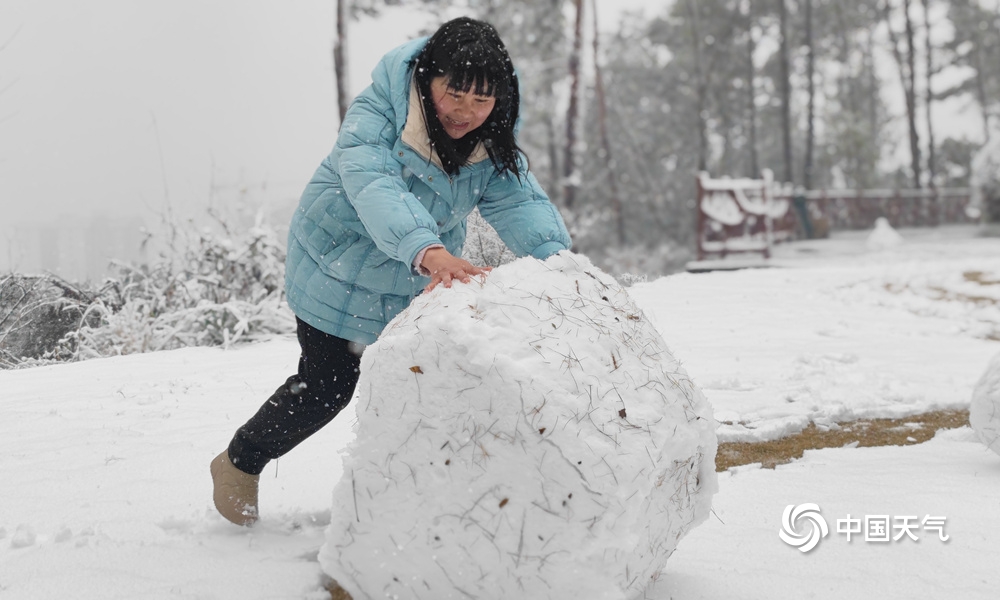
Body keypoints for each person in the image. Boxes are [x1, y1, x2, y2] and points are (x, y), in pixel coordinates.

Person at [210, 17, 572, 526]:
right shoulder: (379, 111)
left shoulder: (491, 137)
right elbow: (375, 187)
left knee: (430, 383)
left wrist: (557, 262)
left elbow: (519, 202)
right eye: (454, 94)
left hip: (419, 272)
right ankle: (240, 462)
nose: (466, 112)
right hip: (337, 262)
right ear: (428, 80)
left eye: (481, 101)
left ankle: (415, 499)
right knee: (328, 385)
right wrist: (427, 248)